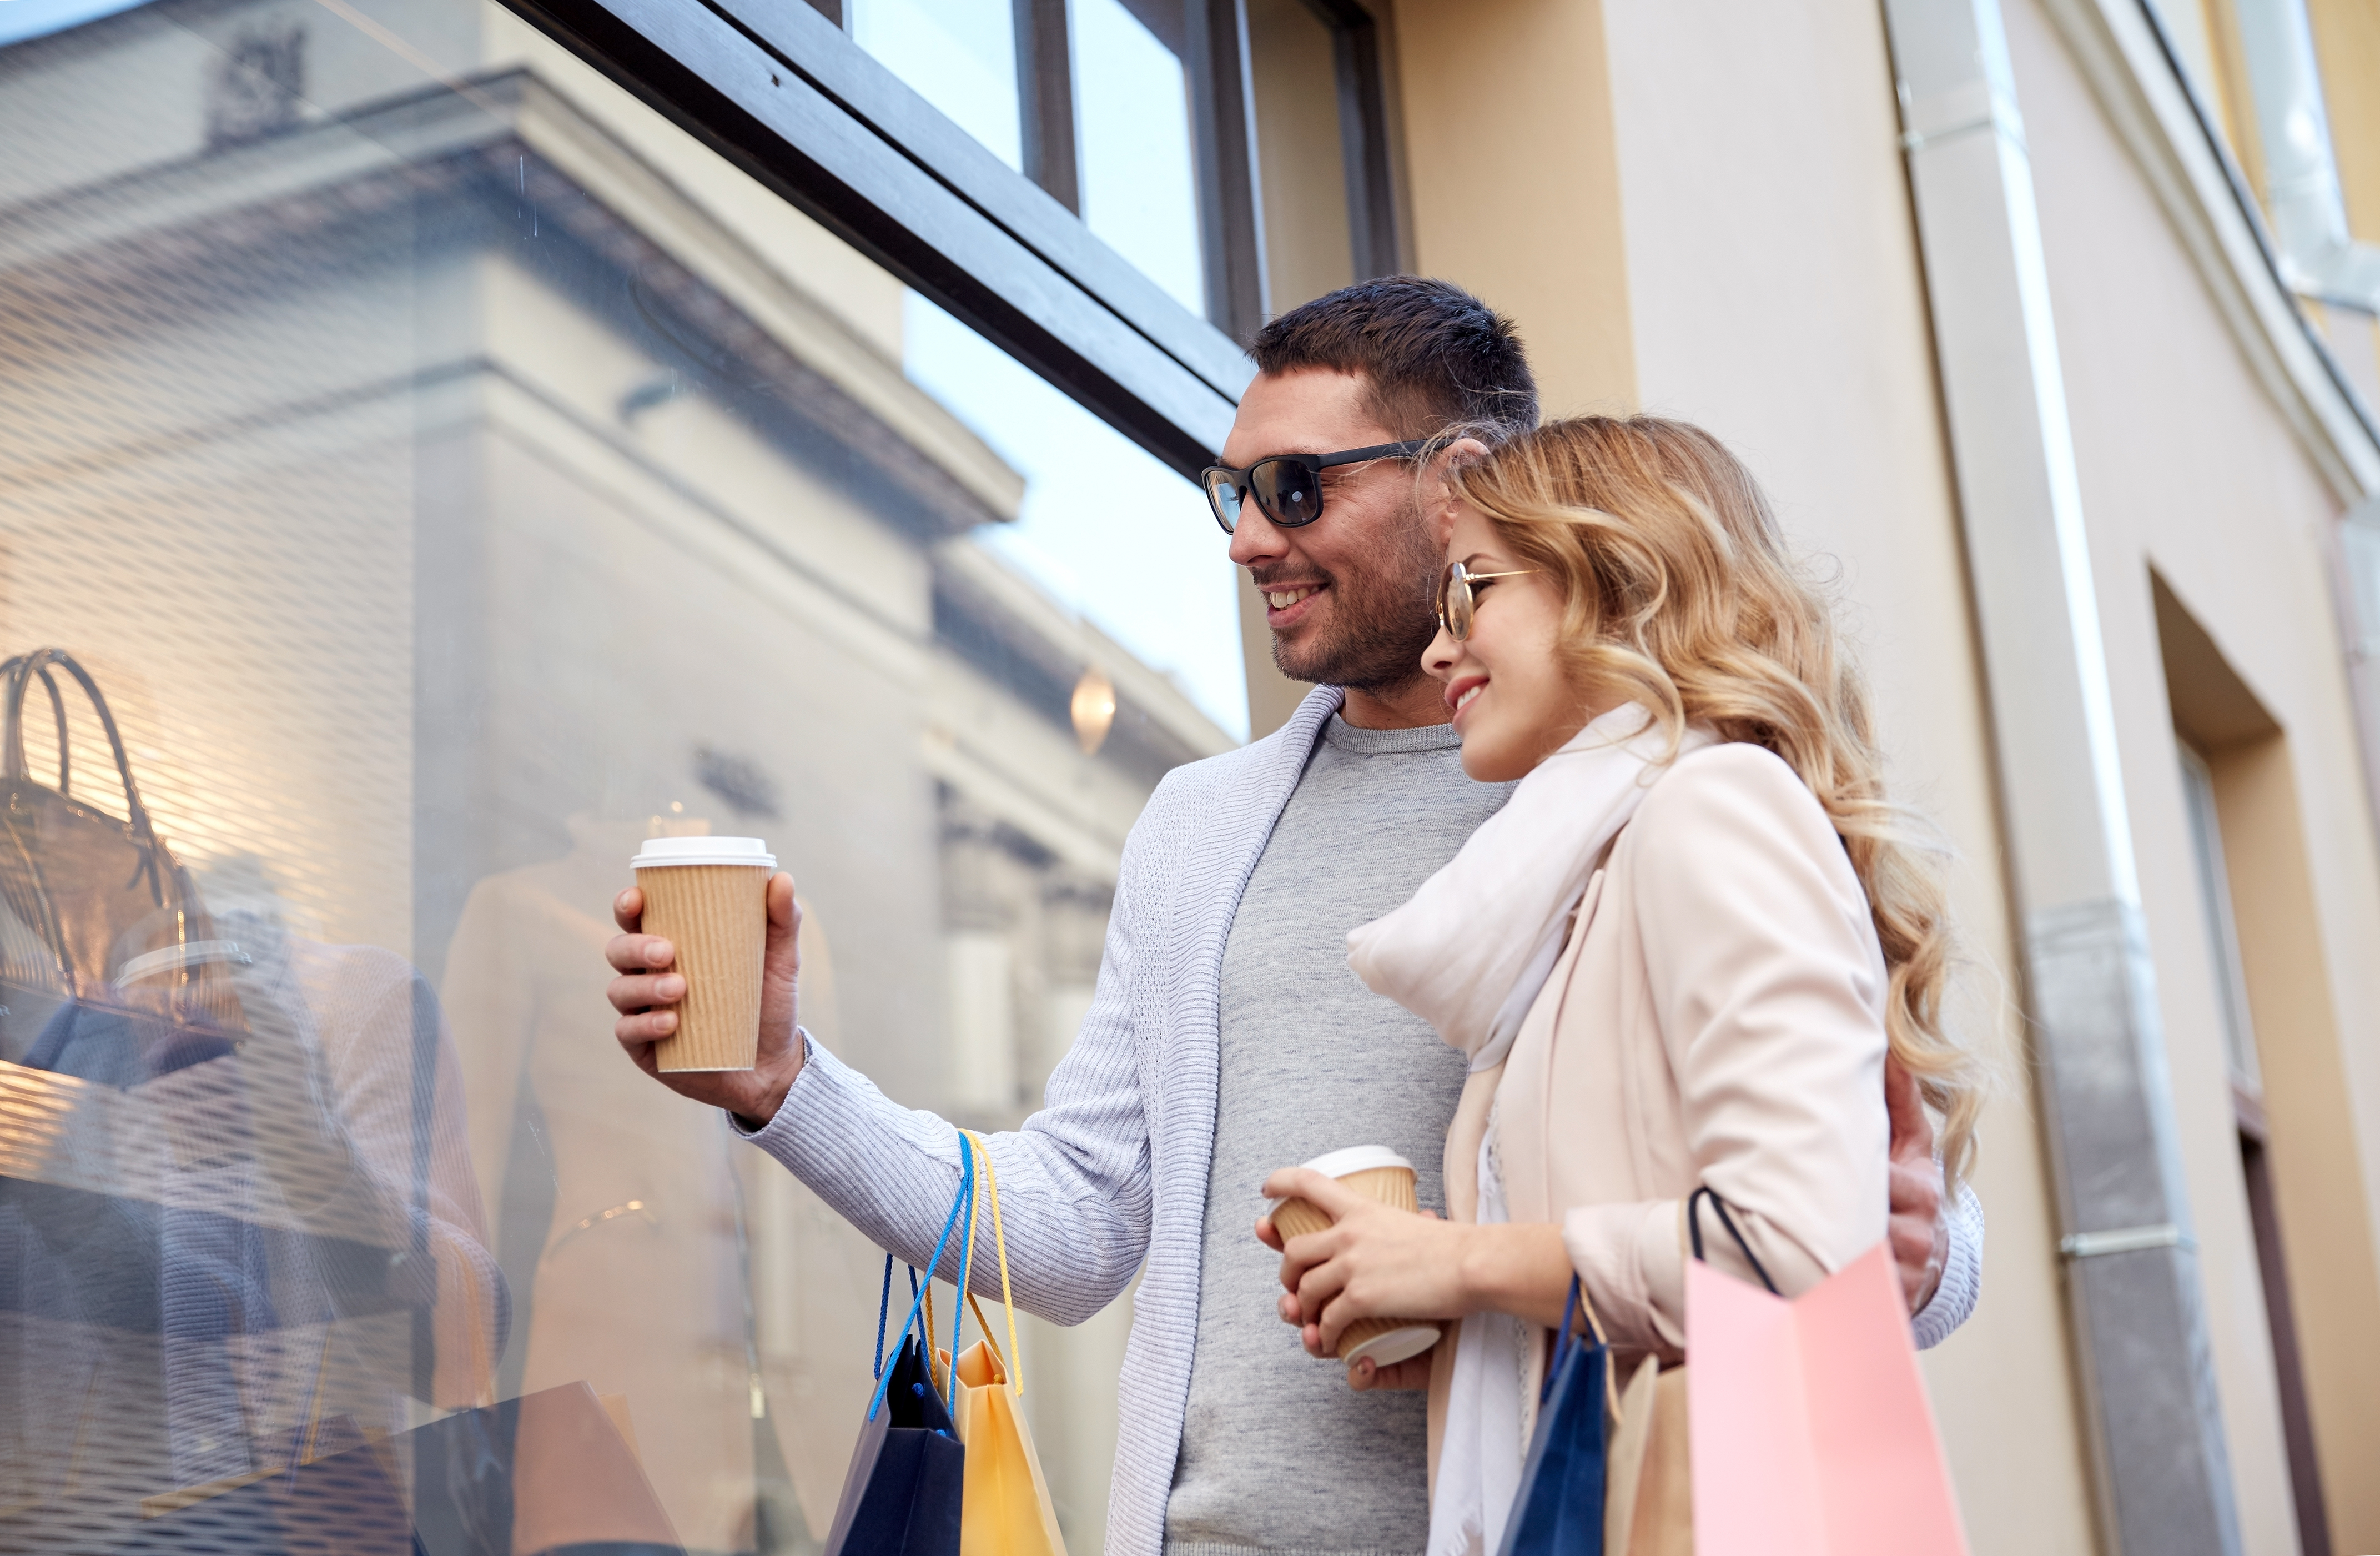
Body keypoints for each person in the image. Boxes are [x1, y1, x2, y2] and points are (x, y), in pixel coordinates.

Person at [602, 278, 1984, 1556]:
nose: (1249, 537)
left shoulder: (1645, 802)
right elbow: (1077, 1222)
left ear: (1456, 485)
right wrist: (784, 1088)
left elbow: (1861, 1227)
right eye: (1234, 492)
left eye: (1294, 487)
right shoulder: (1197, 827)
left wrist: (1899, 1259)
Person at [1260, 414, 1990, 1554]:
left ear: (1615, 581)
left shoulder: (1713, 807)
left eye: (1471, 592)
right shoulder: (1584, 884)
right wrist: (1463, 1320)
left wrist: (1459, 1263)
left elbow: (1798, 1249)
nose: (1440, 651)